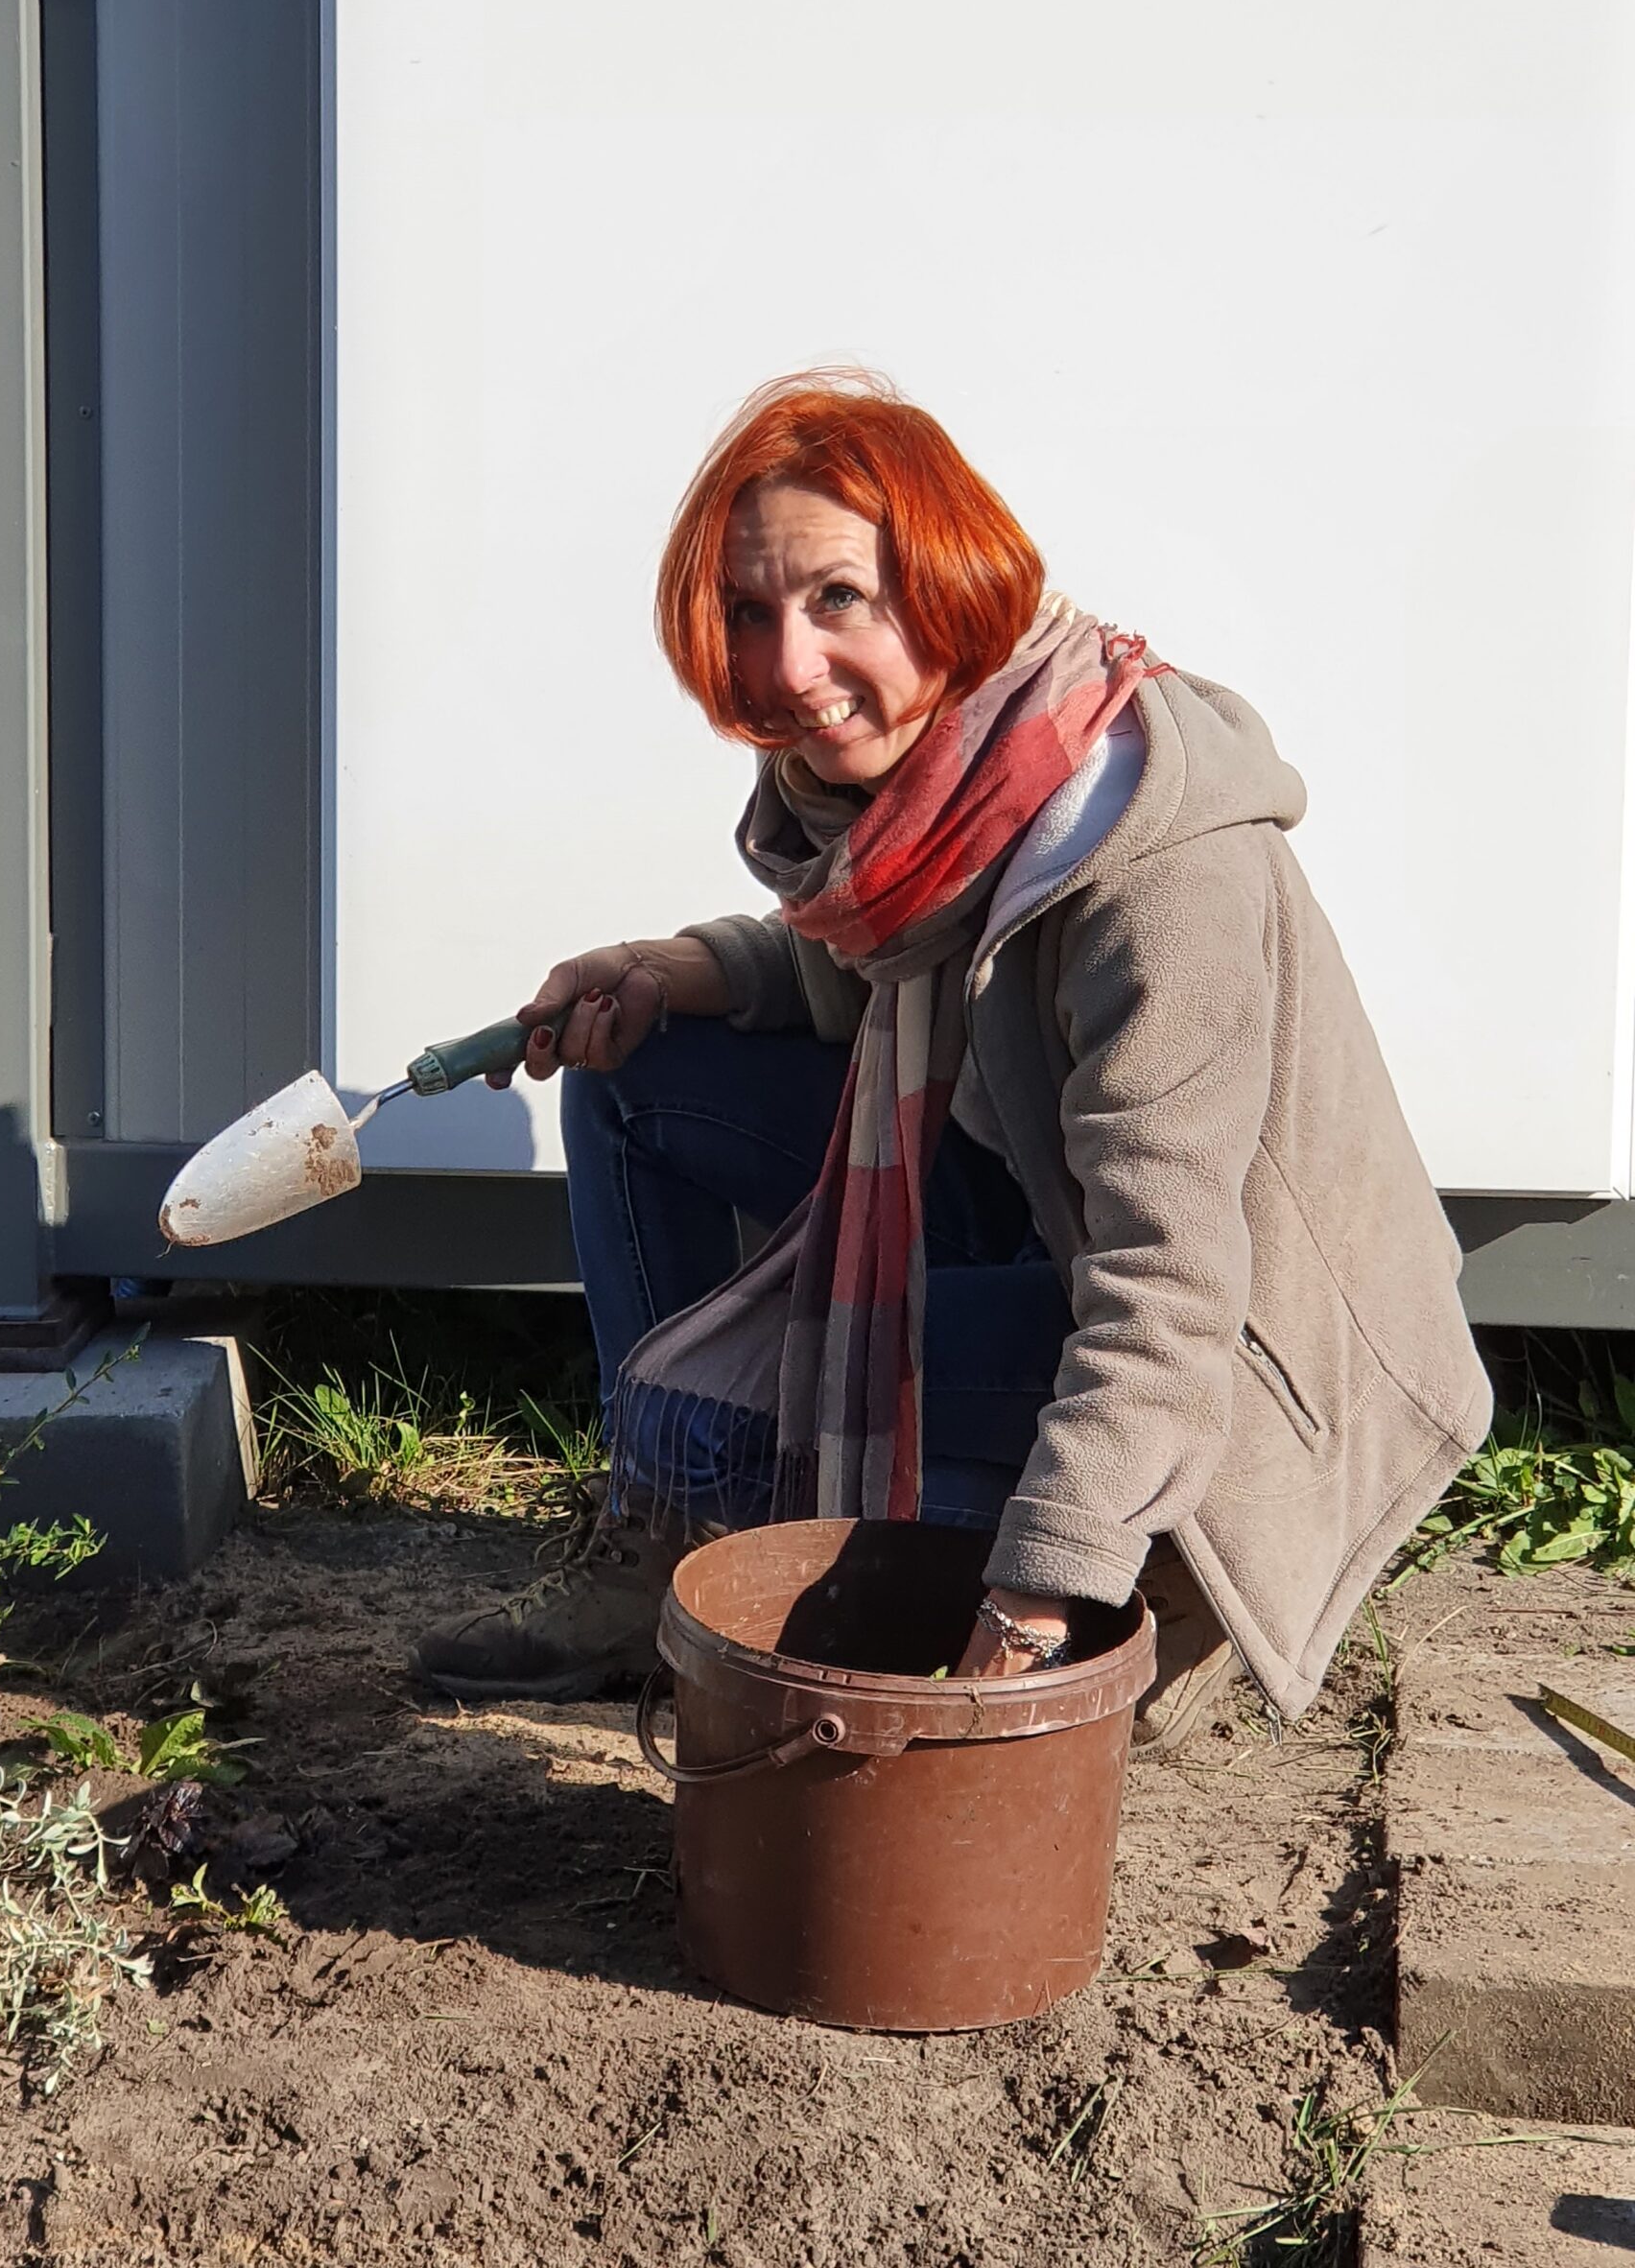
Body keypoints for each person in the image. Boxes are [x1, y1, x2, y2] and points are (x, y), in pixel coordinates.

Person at [413, 374, 1491, 1750]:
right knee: (639, 1076)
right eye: (750, 612)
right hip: (1024, 1202)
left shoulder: (1151, 866)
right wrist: (674, 967)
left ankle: (1146, 1574)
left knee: (798, 1377)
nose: (788, 668)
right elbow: (880, 983)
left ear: (944, 584)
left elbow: (1167, 1290)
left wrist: (1033, 1613)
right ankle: (673, 1534)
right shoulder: (934, 789)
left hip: (1239, 1357)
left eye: (839, 599)